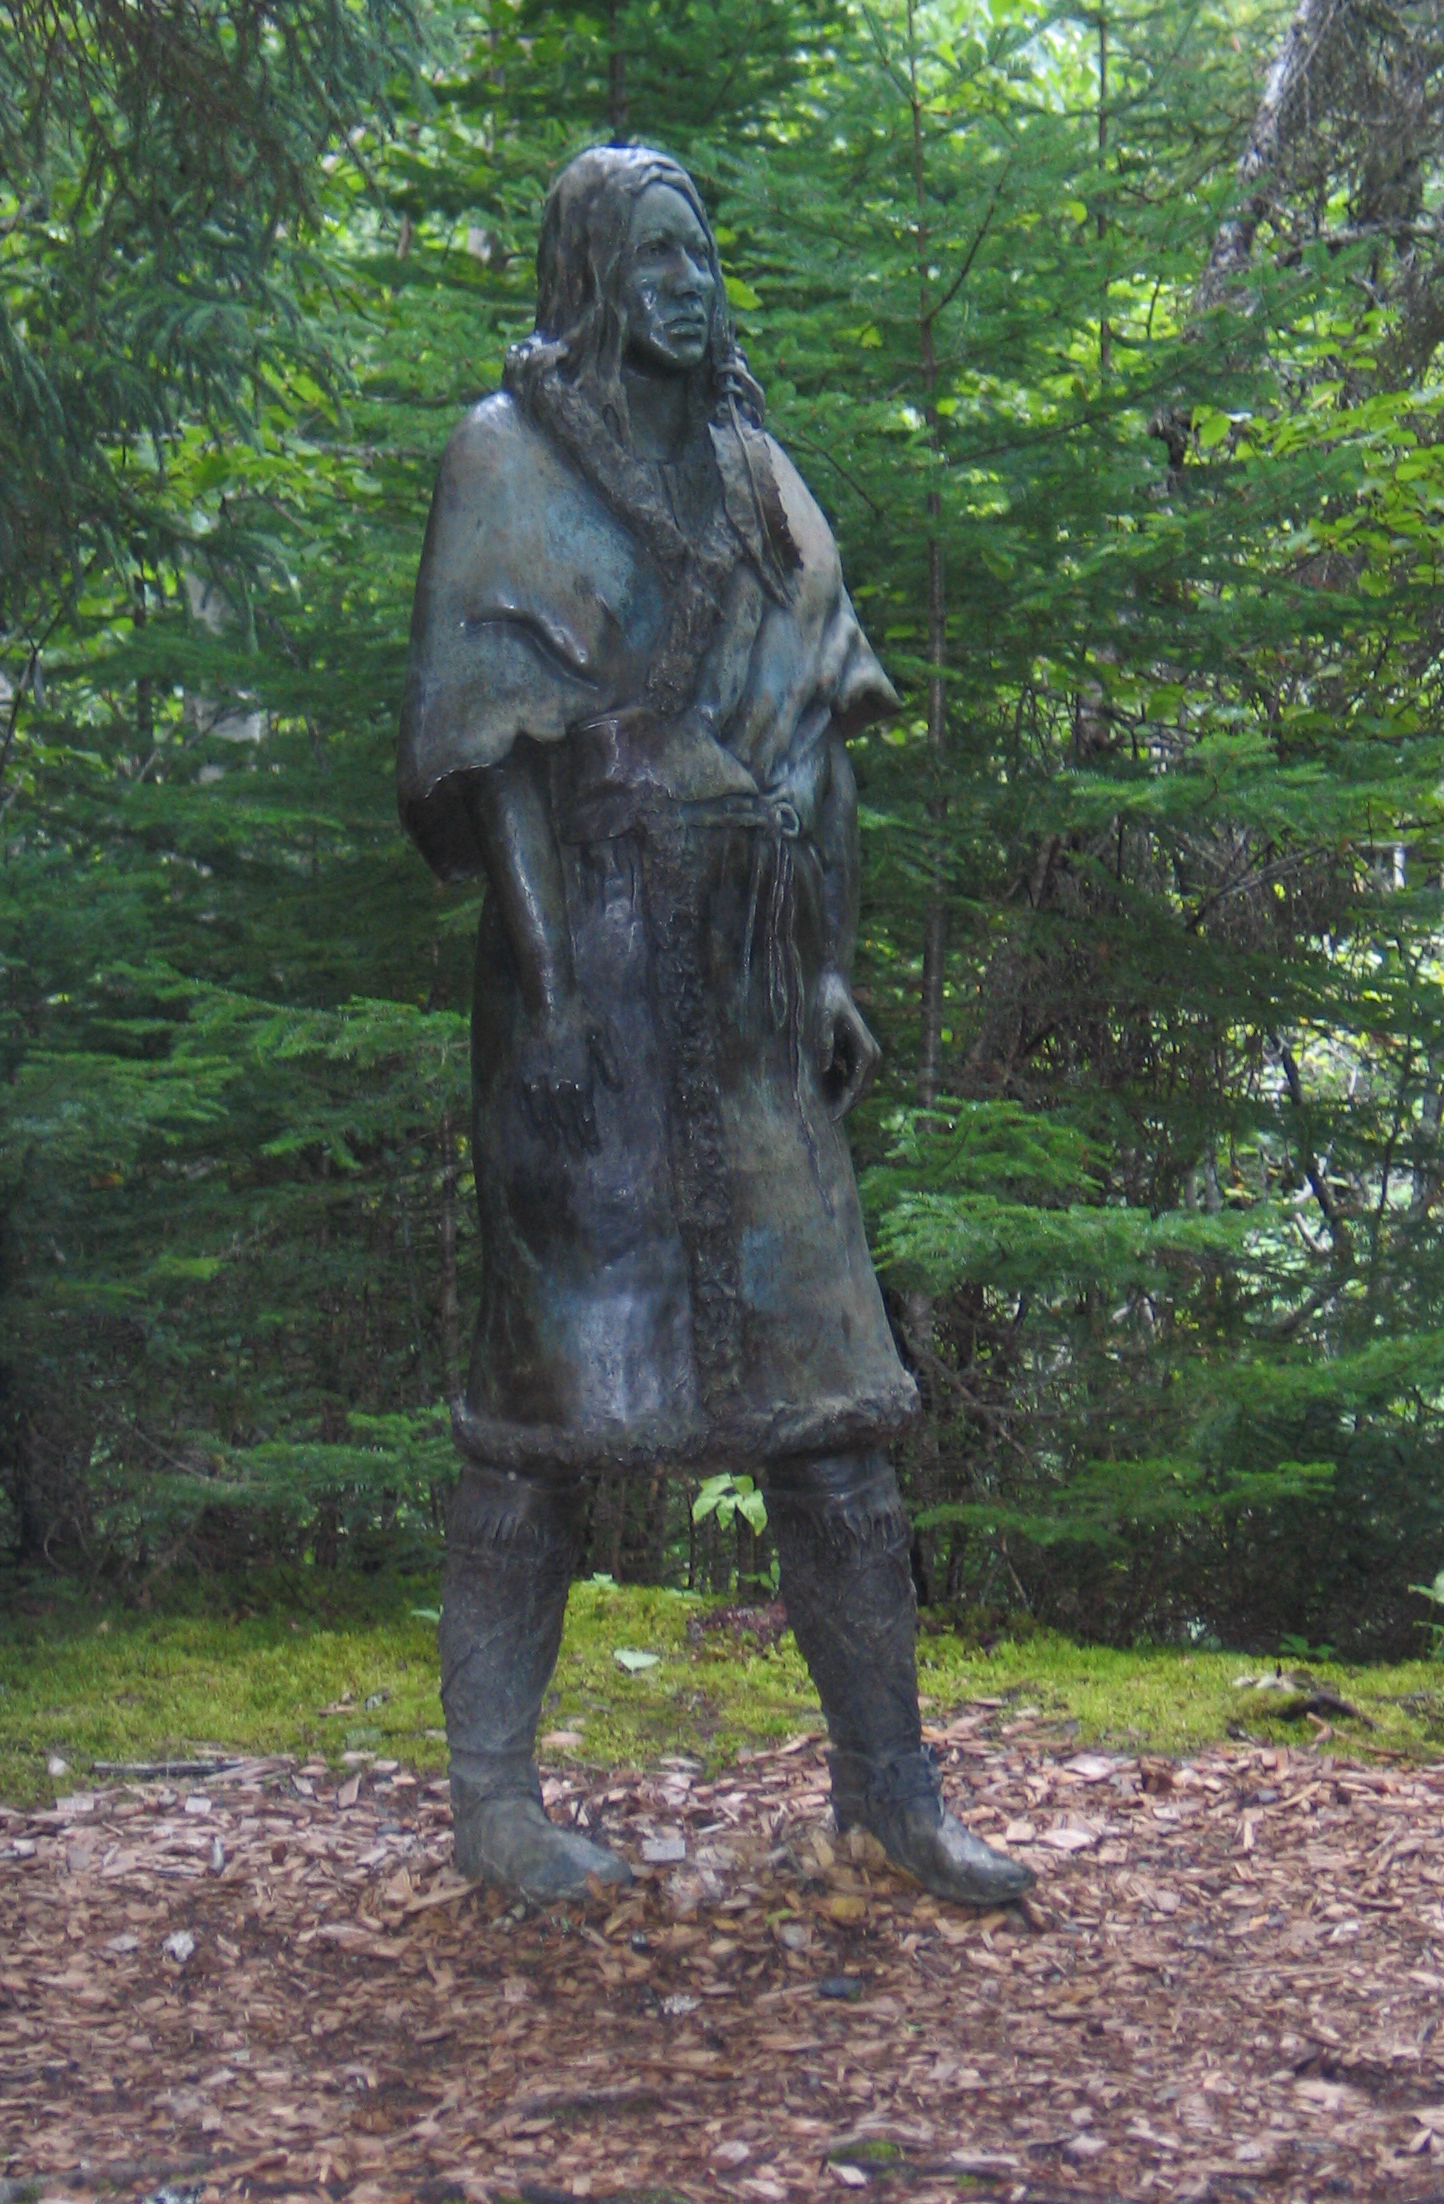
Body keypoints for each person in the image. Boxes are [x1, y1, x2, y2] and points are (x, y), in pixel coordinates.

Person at [397, 143, 1032, 1908]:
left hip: (750, 997)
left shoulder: (758, 478)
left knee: (834, 1401)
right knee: (537, 1412)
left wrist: (826, 963)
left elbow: (818, 744)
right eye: (657, 256)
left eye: (704, 255)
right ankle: (495, 1804)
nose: (691, 283)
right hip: (583, 978)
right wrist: (539, 993)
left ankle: (889, 1788)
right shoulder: (503, 463)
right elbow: (487, 755)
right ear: (595, 271)